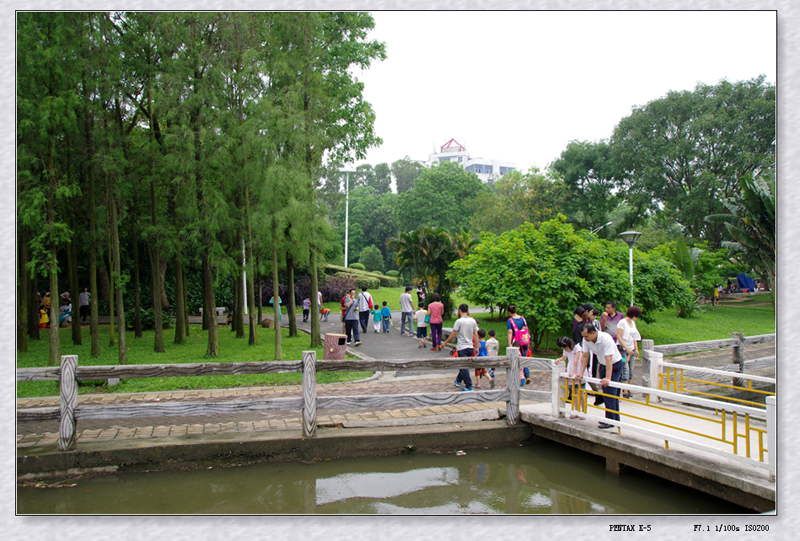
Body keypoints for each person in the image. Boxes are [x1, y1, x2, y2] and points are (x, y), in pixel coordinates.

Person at [578, 322, 623, 429]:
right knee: (607, 391)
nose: (585, 338)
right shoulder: (586, 340)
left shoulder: (606, 339)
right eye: (583, 336)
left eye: (586, 336)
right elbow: (585, 356)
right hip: (603, 364)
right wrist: (581, 372)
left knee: (609, 391)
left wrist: (608, 377)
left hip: (614, 364)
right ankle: (614, 418)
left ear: (593, 333)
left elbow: (609, 359)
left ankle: (610, 420)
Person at [442, 303, 480, 392]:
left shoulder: (459, 321)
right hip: (470, 346)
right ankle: (458, 380)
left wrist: (445, 342)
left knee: (463, 367)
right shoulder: (473, 321)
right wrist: (476, 347)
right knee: (464, 366)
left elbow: (453, 334)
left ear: (459, 311)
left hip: (462, 347)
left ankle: (469, 385)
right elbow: (476, 335)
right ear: (467, 311)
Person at [555, 337, 587, 420]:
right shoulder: (566, 351)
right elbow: (564, 358)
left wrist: (575, 372)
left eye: (565, 348)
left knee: (581, 393)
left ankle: (583, 411)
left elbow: (576, 360)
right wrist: (559, 360)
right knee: (574, 393)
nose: (565, 350)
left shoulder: (577, 348)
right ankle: (576, 411)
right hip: (571, 371)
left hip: (579, 370)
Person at [617, 305, 642, 399]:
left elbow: (634, 336)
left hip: (631, 349)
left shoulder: (632, 323)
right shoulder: (622, 322)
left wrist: (636, 348)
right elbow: (619, 337)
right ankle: (624, 391)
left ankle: (626, 388)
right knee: (625, 370)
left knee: (631, 371)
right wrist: (626, 348)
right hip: (623, 349)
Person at [506, 306, 531, 383]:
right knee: (524, 358)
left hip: (516, 342)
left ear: (509, 312)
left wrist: (509, 343)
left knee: (516, 359)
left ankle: (517, 377)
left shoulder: (510, 321)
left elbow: (510, 332)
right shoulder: (523, 318)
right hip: (525, 340)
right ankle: (527, 375)